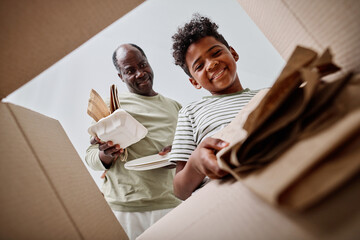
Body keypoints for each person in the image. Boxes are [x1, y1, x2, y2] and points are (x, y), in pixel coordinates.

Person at [85, 43, 182, 240]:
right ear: (121, 76)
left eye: (143, 64)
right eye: (130, 70)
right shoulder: (111, 107)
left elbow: (192, 152)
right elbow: (90, 157)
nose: (140, 73)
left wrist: (179, 151)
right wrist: (105, 155)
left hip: (170, 204)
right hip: (124, 208)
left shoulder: (176, 107)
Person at [169, 14, 260, 200]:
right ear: (194, 82)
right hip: (226, 195)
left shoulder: (265, 95)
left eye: (216, 53)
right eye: (199, 66)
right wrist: (195, 164)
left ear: (233, 53)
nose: (211, 64)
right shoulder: (190, 113)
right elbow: (180, 191)